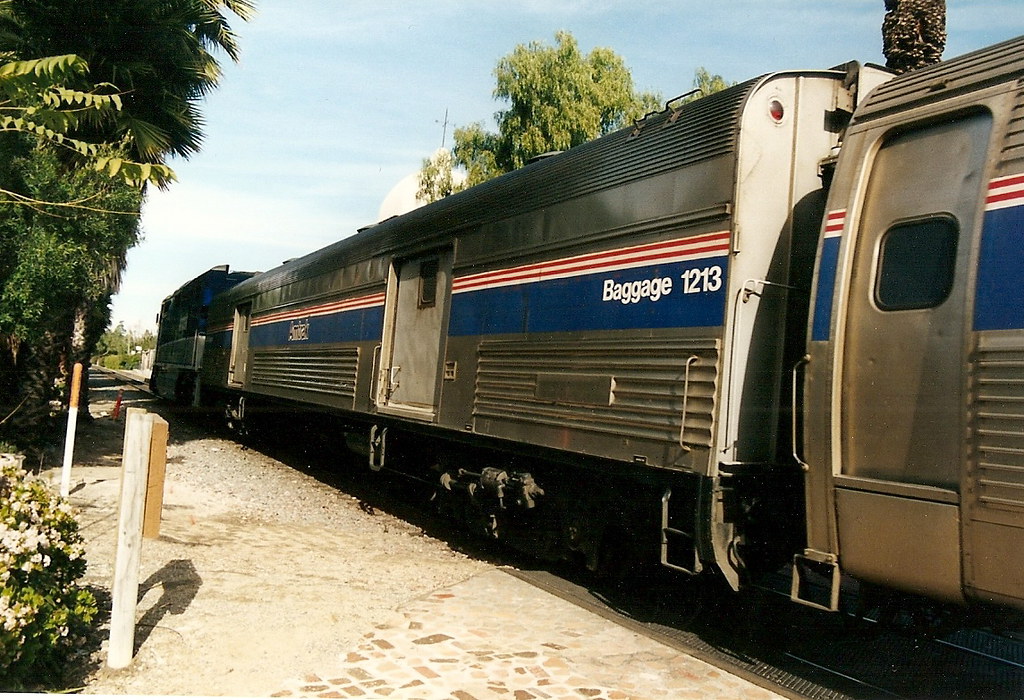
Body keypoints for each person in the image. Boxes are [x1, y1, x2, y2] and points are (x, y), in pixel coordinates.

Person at [882, 0, 946, 73]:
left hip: (918, 67)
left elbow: (931, 45)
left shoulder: (918, 8)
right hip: (902, 67)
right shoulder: (893, 17)